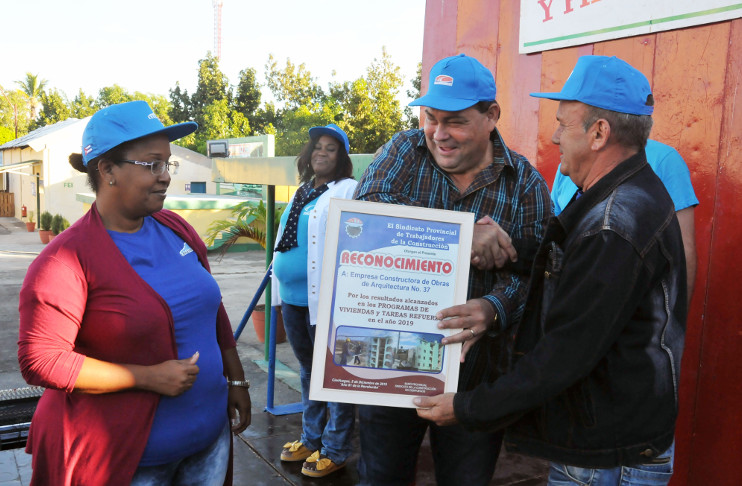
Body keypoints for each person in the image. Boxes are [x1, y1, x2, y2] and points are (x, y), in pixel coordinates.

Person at [416, 55, 687, 486]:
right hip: (607, 440)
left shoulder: (614, 224)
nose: (555, 136)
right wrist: (512, 250)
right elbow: (573, 261)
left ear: (599, 133)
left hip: (605, 457)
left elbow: (564, 353)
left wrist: (467, 407)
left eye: (564, 123)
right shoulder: (618, 193)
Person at [17, 100, 251, 486]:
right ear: (107, 169)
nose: (165, 176)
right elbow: (41, 360)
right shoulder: (66, 260)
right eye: (152, 164)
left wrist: (236, 380)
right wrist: (145, 377)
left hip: (208, 441)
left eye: (168, 164)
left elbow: (212, 311)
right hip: (129, 462)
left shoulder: (176, 228)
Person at [354, 54, 551, 485]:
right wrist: (461, 236)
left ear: (491, 116)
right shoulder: (406, 150)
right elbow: (366, 215)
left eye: (456, 121)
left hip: (475, 382)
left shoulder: (526, 184)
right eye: (431, 118)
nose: (439, 135)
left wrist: (494, 308)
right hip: (389, 367)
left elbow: (539, 272)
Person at [271, 123, 357, 478]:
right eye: (317, 147)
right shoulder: (302, 191)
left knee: (334, 374)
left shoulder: (348, 190)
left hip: (326, 301)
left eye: (331, 148)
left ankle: (335, 449)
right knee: (309, 370)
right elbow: (284, 241)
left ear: (342, 158)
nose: (321, 152)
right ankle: (312, 437)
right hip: (293, 298)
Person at [551, 139, 698, 298]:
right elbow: (555, 242)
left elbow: (683, 250)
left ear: (601, 127)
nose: (556, 137)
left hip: (631, 302)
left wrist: (675, 321)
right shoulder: (567, 166)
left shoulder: (665, 159)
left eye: (565, 124)